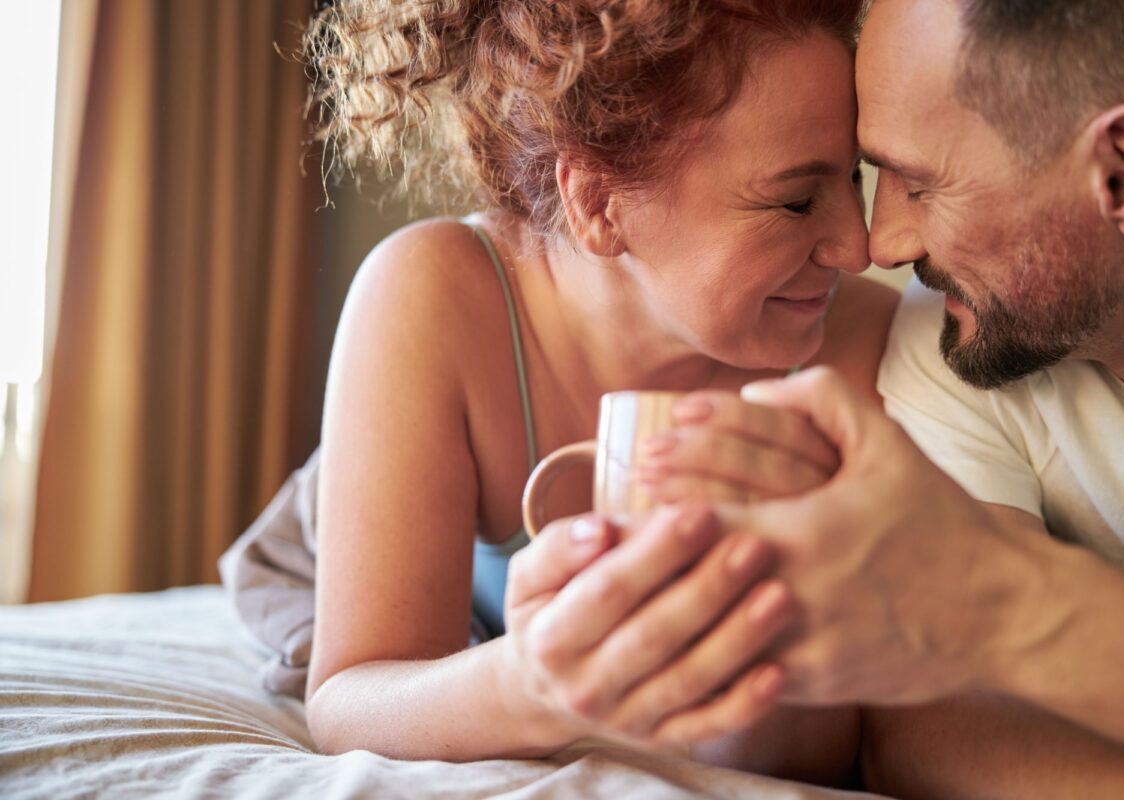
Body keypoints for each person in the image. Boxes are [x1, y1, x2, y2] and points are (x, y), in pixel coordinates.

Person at [557, 0, 1124, 795]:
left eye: (920, 184)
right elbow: (942, 734)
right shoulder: (957, 344)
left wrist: (998, 589)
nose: (880, 245)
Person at [299, 0, 896, 783]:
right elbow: (349, 695)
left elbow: (813, 761)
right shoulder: (436, 298)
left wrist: (762, 637)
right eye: (794, 200)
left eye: (854, 177)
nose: (860, 246)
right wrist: (535, 685)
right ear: (597, 203)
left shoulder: (856, 350)